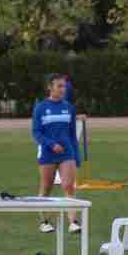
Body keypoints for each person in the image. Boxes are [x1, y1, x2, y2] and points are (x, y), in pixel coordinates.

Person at [31, 74, 81, 234]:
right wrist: (51, 144)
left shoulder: (69, 108)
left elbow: (73, 134)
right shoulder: (40, 107)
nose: (63, 89)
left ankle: (73, 222)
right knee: (46, 187)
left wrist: (76, 156)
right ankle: (43, 221)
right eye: (59, 86)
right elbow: (36, 132)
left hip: (67, 153)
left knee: (68, 186)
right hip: (47, 153)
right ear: (50, 87)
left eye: (64, 86)